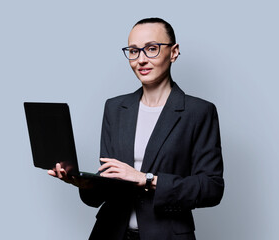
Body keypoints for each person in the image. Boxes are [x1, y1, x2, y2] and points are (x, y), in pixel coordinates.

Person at [48, 17, 224, 240]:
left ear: (174, 52)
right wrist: (84, 182)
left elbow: (212, 188)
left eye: (152, 48)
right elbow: (109, 183)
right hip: (110, 232)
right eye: (133, 51)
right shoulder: (115, 108)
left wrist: (147, 179)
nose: (141, 59)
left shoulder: (199, 112)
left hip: (166, 234)